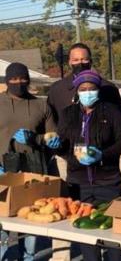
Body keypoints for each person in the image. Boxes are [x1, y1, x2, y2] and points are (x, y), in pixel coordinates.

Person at [57, 70, 121, 261]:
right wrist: (56, 147)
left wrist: (102, 155)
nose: (87, 92)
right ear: (77, 92)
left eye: (92, 88)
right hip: (79, 184)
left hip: (108, 181)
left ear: (98, 90)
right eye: (83, 88)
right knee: (87, 240)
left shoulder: (111, 111)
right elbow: (63, 145)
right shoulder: (68, 114)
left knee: (115, 239)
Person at [0, 62, 59, 261]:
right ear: (7, 80)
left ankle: (29, 257)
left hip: (33, 172)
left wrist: (36, 139)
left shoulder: (41, 105)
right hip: (3, 172)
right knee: (2, 228)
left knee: (31, 224)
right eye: (14, 79)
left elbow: (53, 138)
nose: (19, 82)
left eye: (23, 78)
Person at [48, 42, 121, 124]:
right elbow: (51, 121)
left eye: (84, 59)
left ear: (90, 61)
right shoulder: (57, 89)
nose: (80, 63)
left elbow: (120, 122)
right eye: (75, 60)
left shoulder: (108, 88)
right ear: (69, 62)